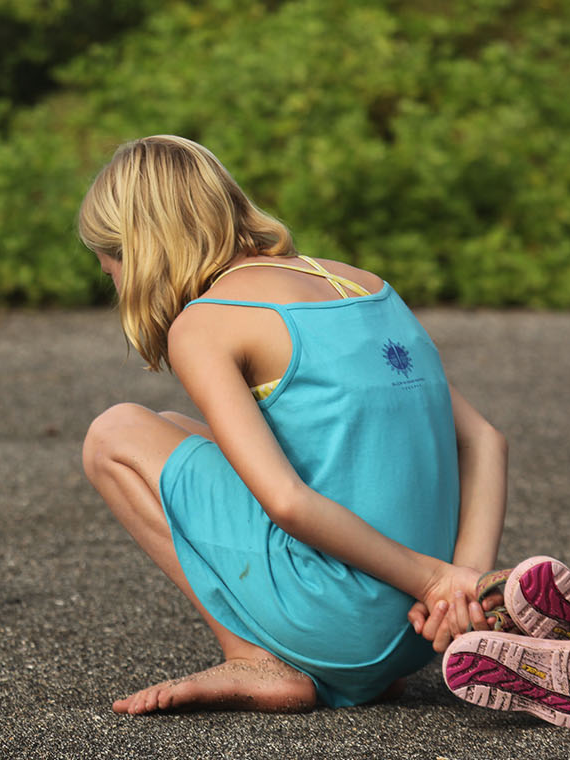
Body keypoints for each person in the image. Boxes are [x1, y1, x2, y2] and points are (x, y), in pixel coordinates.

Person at [76, 134, 542, 717]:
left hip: (349, 619)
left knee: (117, 434)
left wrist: (433, 583)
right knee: (172, 427)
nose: (116, 286)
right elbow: (484, 439)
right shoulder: (362, 284)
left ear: (140, 251)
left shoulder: (208, 323)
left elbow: (288, 503)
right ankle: (412, 642)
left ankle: (257, 661)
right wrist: (461, 584)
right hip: (420, 633)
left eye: (110, 269)